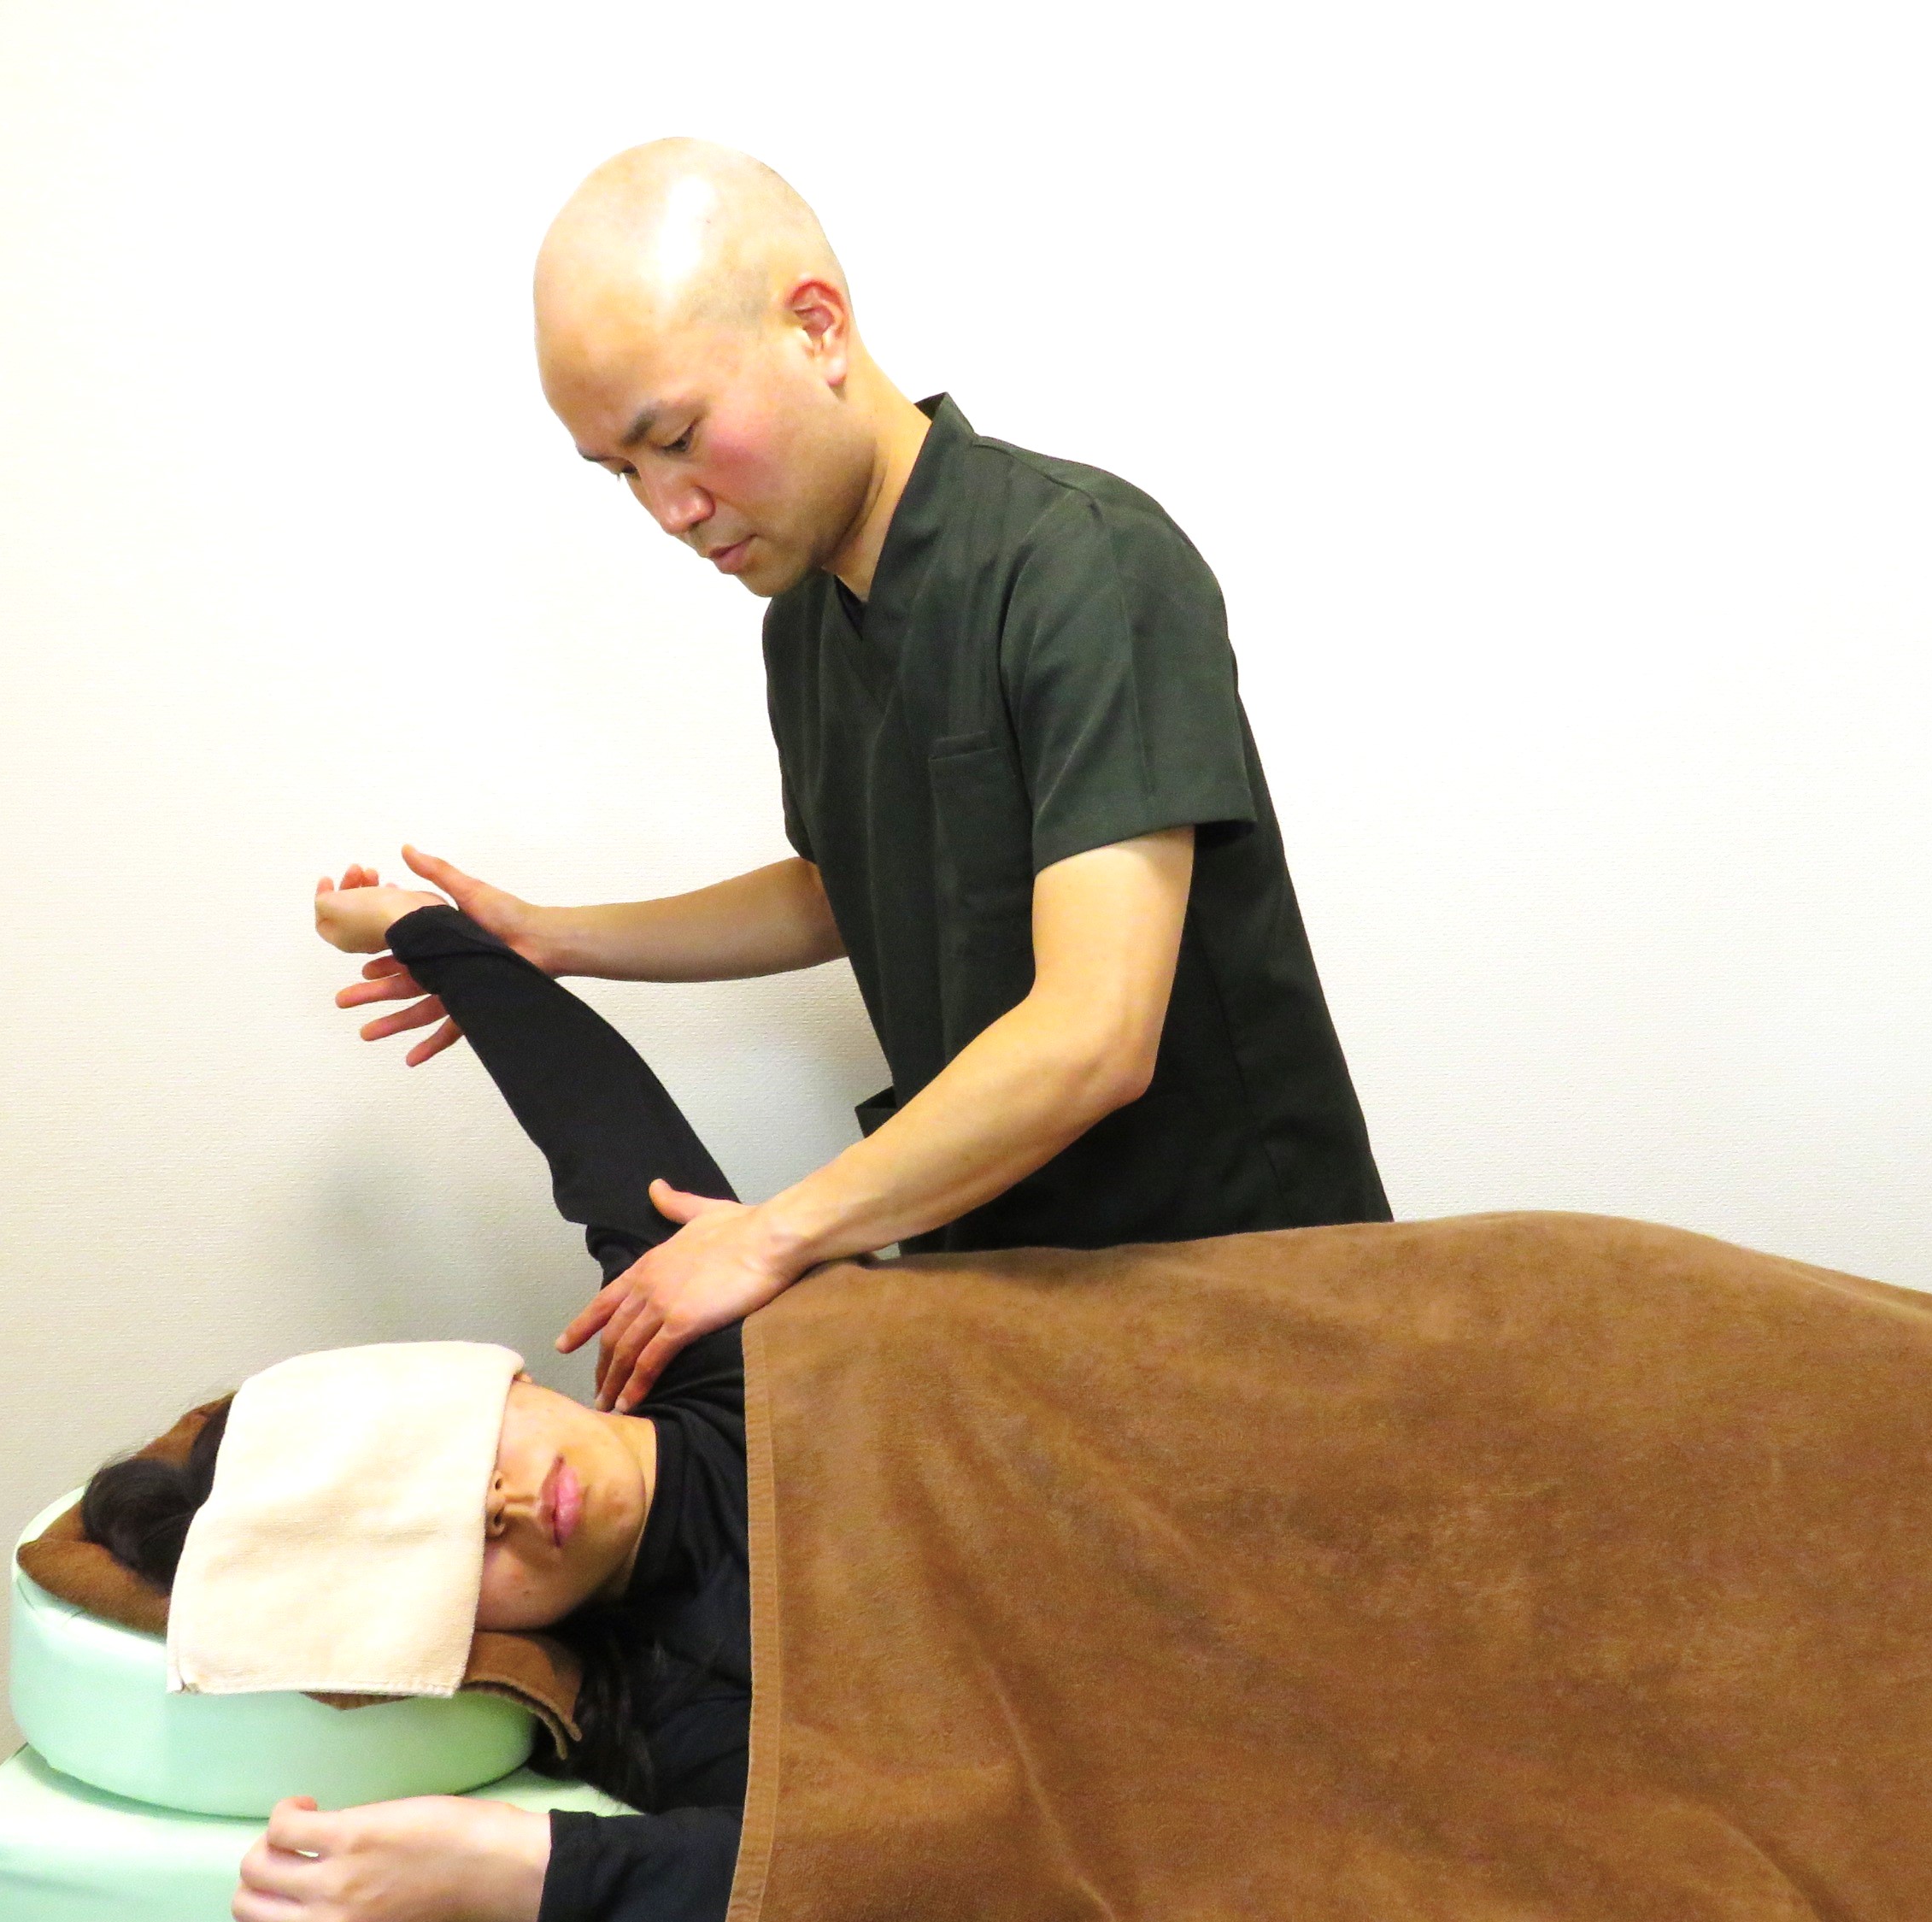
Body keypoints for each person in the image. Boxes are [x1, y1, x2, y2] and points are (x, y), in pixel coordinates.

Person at [335, 138, 1389, 1415]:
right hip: (1004, 1302)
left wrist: (772, 1236)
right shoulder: (807, 625)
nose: (669, 509)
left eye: (678, 439)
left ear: (817, 326)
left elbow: (1095, 1035)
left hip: (1249, 1306)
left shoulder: (1085, 564)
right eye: (624, 473)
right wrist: (552, 940)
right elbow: (854, 884)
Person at [81, 872, 766, 1922]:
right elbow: (871, 1861)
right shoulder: (668, 1700)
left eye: (458, 1453)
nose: (501, 1505)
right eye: (441, 1543)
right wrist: (504, 1872)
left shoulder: (697, 1321)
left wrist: (419, 930)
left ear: (498, 1383)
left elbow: (585, 1103)